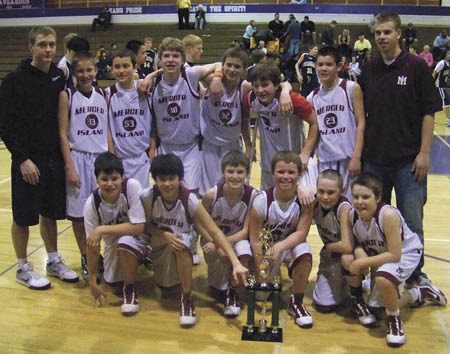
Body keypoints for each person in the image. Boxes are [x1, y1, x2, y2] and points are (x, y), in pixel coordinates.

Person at [359, 12, 443, 290]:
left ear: (398, 34)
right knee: (373, 220)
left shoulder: (416, 66)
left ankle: (416, 274)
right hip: (374, 160)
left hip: (408, 161)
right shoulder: (369, 68)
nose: (382, 37)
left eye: (387, 32)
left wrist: (425, 153)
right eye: (378, 33)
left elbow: (429, 112)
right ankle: (378, 271)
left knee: (411, 221)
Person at [0, 26, 79, 290]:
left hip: (52, 158)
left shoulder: (58, 76)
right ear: (30, 47)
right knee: (23, 216)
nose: (47, 50)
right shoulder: (14, 80)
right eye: (42, 44)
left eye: (51, 45)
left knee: (50, 213)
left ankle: (54, 260)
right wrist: (22, 159)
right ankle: (22, 266)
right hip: (27, 161)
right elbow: (6, 124)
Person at [141, 153, 248, 327]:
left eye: (171, 178)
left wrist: (235, 262)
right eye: (162, 179)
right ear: (155, 179)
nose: (167, 184)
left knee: (181, 240)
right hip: (158, 242)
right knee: (166, 288)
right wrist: (164, 235)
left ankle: (187, 296)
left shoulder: (190, 199)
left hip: (180, 245)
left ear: (180, 178)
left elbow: (214, 230)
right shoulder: (147, 197)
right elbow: (144, 227)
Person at [342, 173, 447, 347]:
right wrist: (360, 254)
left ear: (378, 197)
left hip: (406, 253)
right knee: (376, 310)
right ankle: (420, 293)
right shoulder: (352, 214)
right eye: (356, 196)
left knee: (383, 279)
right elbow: (357, 243)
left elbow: (394, 255)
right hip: (382, 253)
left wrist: (363, 263)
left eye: (366, 197)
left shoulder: (388, 215)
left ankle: (395, 320)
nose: (360, 201)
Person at [148, 37, 225, 193]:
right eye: (166, 56)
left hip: (191, 147)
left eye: (175, 56)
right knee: (167, 193)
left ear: (183, 59)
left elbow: (219, 63)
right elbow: (153, 120)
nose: (171, 60)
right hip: (166, 147)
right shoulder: (152, 83)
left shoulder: (190, 74)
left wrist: (217, 78)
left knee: (190, 195)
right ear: (160, 59)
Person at [58, 51, 110, 281]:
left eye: (89, 70)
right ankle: (85, 255)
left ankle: (102, 256)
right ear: (74, 73)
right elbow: (61, 132)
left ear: (96, 71)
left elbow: (107, 129)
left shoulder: (103, 94)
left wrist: (112, 160)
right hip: (78, 157)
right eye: (80, 71)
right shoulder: (67, 95)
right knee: (79, 216)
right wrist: (69, 166)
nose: (85, 74)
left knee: (103, 213)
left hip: (100, 159)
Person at [249, 151, 314, 329]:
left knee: (305, 253)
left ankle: (297, 302)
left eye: (291, 172)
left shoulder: (306, 201)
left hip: (289, 245)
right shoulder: (262, 201)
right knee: (262, 295)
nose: (286, 177)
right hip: (266, 249)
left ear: (299, 175)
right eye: (281, 172)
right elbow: (254, 239)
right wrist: (261, 266)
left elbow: (301, 233)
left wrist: (280, 247)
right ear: (272, 174)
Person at [84, 152, 148, 316]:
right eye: (104, 179)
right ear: (97, 180)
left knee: (126, 241)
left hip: (144, 236)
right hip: (113, 244)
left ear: (122, 177)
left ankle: (131, 288)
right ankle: (131, 265)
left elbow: (138, 227)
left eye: (114, 178)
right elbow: (92, 245)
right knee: (113, 285)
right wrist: (92, 279)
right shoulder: (91, 204)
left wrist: (101, 230)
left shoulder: (132, 187)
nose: (110, 184)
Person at [311, 170, 374, 325]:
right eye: (321, 191)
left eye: (331, 192)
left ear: (341, 191)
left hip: (354, 254)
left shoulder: (344, 208)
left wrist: (328, 247)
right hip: (331, 256)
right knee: (323, 306)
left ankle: (357, 297)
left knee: (348, 258)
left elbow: (347, 246)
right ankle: (351, 284)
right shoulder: (313, 203)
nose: (325, 197)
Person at [200, 151, 257, 317]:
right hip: (211, 239)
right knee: (216, 289)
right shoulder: (211, 195)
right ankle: (225, 287)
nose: (235, 176)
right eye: (230, 171)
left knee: (244, 250)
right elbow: (200, 223)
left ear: (246, 174)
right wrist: (214, 242)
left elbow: (246, 231)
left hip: (237, 239)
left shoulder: (252, 196)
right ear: (223, 172)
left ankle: (233, 290)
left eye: (240, 172)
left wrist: (220, 243)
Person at [244, 63, 318, 189]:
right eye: (256, 86)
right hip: (268, 163)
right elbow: (242, 119)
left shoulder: (292, 99)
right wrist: (248, 144)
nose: (260, 90)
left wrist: (306, 153)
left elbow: (315, 122)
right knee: (268, 203)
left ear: (277, 85)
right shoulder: (251, 98)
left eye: (265, 85)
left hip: (293, 162)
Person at [307, 46, 365, 198]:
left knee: (349, 210)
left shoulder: (351, 88)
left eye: (328, 64)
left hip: (348, 161)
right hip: (324, 161)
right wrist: (308, 156)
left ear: (339, 66)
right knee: (325, 212)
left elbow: (361, 124)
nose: (324, 68)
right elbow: (314, 131)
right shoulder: (312, 97)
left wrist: (357, 157)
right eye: (320, 64)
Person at [106, 49, 156, 189]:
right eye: (117, 67)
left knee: (142, 201)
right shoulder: (108, 94)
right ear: (111, 70)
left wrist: (152, 148)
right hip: (120, 159)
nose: (121, 71)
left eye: (126, 66)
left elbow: (154, 122)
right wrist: (112, 156)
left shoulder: (145, 90)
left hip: (142, 158)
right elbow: (107, 128)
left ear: (135, 67)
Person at [433, 48, 450, 127]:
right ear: (444, 54)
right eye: (448, 53)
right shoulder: (442, 63)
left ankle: (431, 117)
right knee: (446, 101)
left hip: (444, 86)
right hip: (439, 86)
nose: (449, 55)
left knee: (435, 102)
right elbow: (434, 72)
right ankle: (448, 120)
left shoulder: (448, 63)